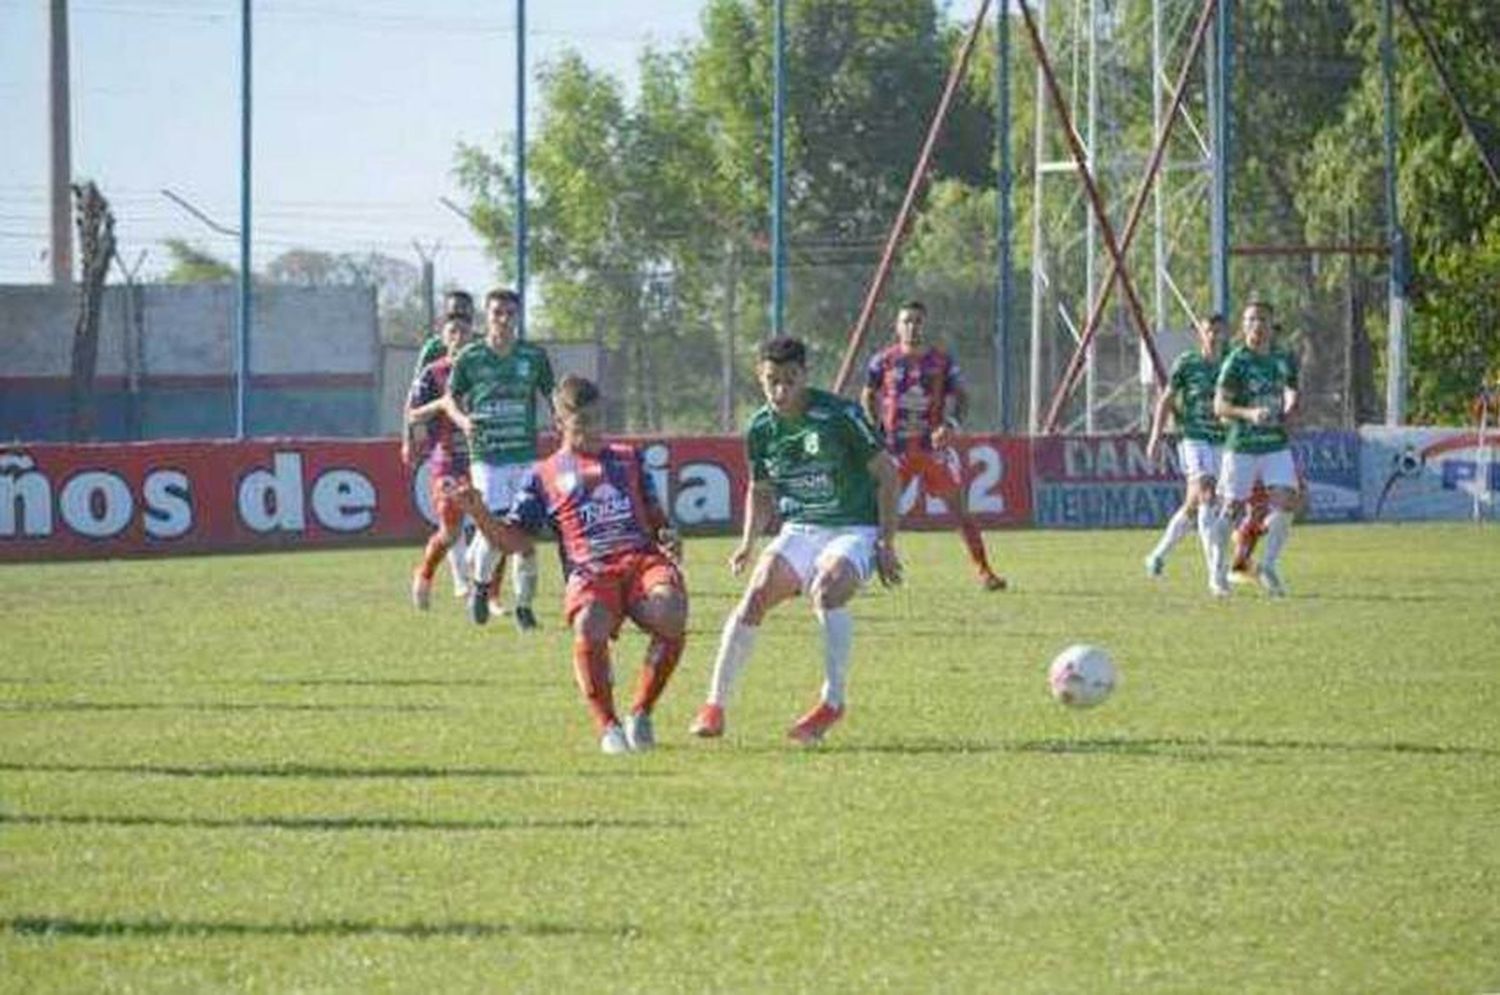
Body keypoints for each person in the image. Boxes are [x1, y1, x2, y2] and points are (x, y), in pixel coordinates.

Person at [447, 375, 687, 755]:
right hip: (590, 572)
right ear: (559, 425)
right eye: (582, 424)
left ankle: (640, 713)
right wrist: (477, 512)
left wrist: (669, 533)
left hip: (641, 560)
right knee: (589, 623)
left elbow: (657, 518)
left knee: (672, 613)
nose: (594, 431)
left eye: (598, 420)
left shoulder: (629, 458)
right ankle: (608, 727)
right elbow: (515, 541)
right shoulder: (542, 476)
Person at [691, 336, 902, 745]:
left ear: (806, 375)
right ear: (760, 376)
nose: (781, 390)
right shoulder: (760, 428)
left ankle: (832, 702)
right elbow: (761, 490)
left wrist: (886, 543)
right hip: (801, 527)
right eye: (773, 380)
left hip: (852, 528)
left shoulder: (839, 414)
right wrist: (748, 542)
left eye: (790, 380)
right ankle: (714, 706)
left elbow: (888, 474)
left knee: (828, 590)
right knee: (754, 595)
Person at [860, 300, 1005, 591]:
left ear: (925, 325)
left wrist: (950, 425)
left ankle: (985, 571)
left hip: (931, 449)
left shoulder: (941, 361)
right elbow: (867, 394)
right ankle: (860, 574)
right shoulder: (883, 360)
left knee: (960, 511)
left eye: (917, 321)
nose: (912, 326)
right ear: (897, 326)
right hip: (895, 450)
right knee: (875, 513)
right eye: (907, 321)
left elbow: (962, 397)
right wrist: (875, 428)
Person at [442, 288, 556, 630]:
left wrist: (561, 419)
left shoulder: (533, 356)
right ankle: (482, 585)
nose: (503, 320)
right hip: (488, 457)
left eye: (509, 313)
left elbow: (552, 394)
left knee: (523, 535)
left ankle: (522, 606)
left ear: (517, 317)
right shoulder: (471, 357)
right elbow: (449, 399)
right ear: (486, 317)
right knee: (498, 530)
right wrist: (462, 420)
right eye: (497, 314)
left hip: (524, 455)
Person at [1212, 301, 1300, 596]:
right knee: (1230, 509)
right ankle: (1217, 573)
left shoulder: (1283, 358)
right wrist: (1249, 413)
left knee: (1287, 502)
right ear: (1243, 326)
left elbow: (1290, 388)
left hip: (1275, 443)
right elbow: (1219, 406)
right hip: (1242, 446)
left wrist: (1290, 401)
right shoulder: (1236, 361)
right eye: (1250, 320)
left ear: (1271, 324)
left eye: (1262, 319)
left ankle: (1269, 566)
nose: (1256, 325)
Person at [1143, 314, 1227, 591]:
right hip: (1193, 438)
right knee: (1206, 494)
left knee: (1194, 506)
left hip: (1222, 442)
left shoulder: (1231, 364)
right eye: (1208, 331)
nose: (1213, 336)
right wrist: (1156, 436)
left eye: (1217, 331)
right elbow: (1167, 399)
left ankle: (1158, 554)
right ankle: (1216, 575)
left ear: (1224, 334)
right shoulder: (1187, 363)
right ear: (1199, 334)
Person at [403, 289, 476, 598]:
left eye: (464, 329)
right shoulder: (433, 369)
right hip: (445, 454)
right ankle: (433, 573)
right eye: (452, 330)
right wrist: (440, 408)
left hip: (481, 455)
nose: (458, 335)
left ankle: (481, 583)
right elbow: (412, 410)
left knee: (491, 521)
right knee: (451, 523)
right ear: (444, 336)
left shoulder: (484, 364)